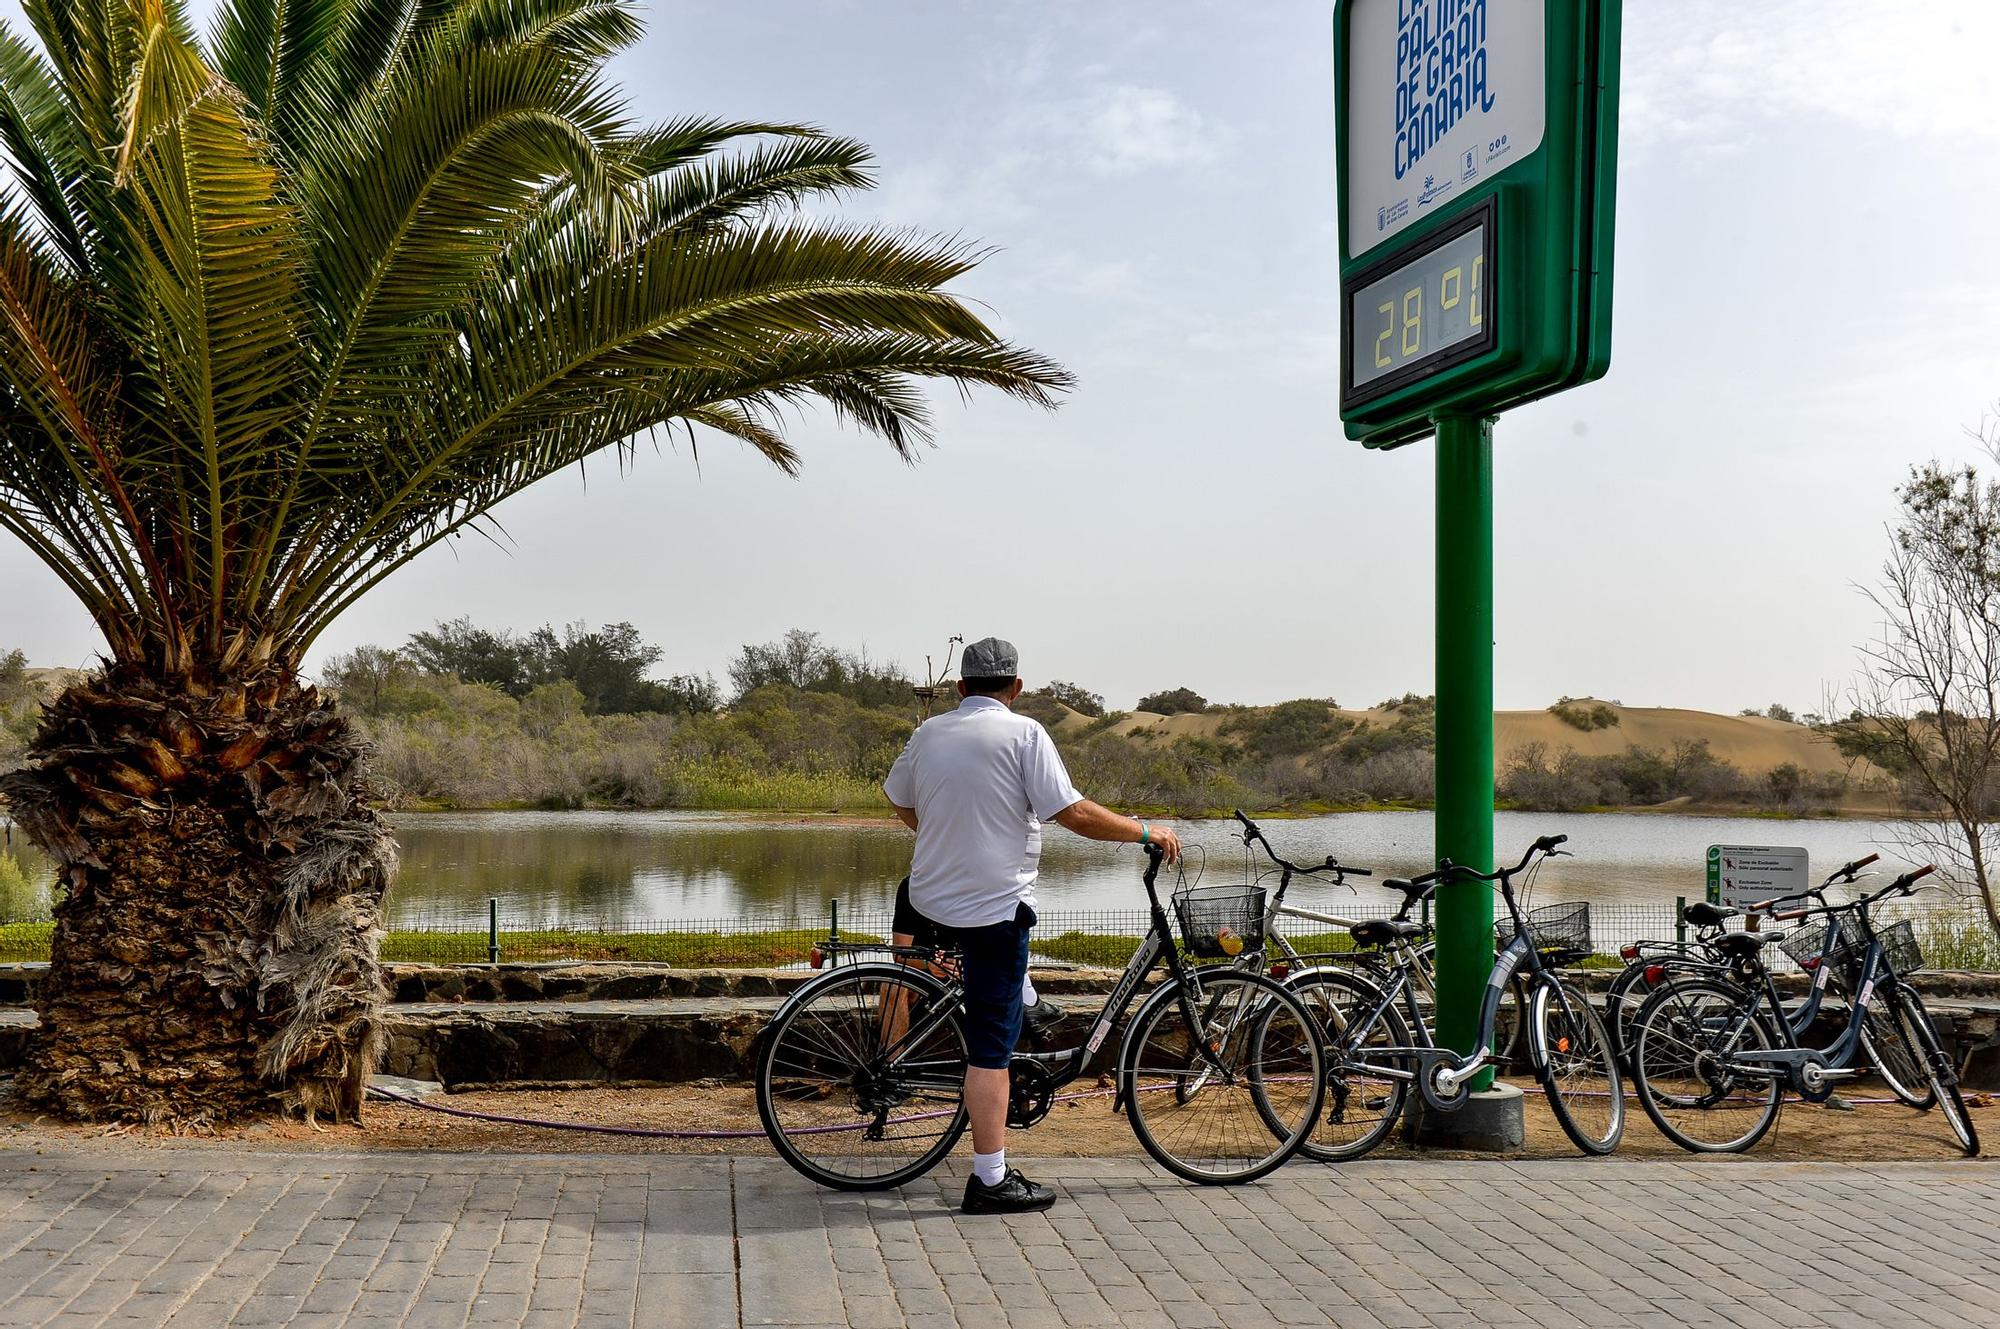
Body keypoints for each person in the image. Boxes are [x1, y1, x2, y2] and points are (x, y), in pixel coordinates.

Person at [883, 637, 1181, 1214]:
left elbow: (897, 797)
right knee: (990, 1050)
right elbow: (1072, 813)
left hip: (927, 900)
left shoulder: (927, 734)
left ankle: (1022, 1009)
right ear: (1016, 689)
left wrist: (941, 832)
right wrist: (1144, 832)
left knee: (994, 995)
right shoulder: (1024, 734)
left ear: (960, 688)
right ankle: (990, 1179)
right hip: (991, 913)